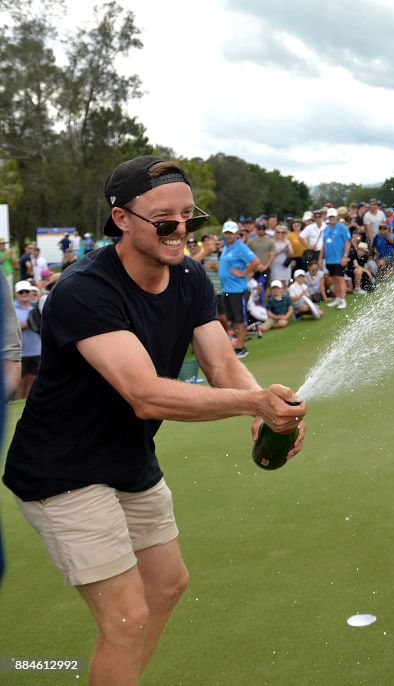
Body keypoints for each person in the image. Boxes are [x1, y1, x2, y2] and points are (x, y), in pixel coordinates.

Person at [1, 155, 307, 686]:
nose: (182, 231)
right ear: (121, 220)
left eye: (191, 217)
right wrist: (254, 404)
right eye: (165, 221)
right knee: (125, 618)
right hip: (62, 470)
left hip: (128, 459)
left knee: (166, 585)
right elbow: (144, 394)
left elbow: (221, 363)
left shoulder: (188, 275)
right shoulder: (84, 290)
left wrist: (264, 405)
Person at [218, 220, 259, 358]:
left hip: (239, 290)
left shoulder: (240, 248)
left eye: (231, 233)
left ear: (236, 234)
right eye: (226, 233)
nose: (228, 235)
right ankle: (237, 345)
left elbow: (255, 262)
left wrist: (243, 273)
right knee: (232, 319)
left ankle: (241, 348)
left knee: (239, 319)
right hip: (228, 289)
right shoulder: (225, 247)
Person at [12, 279, 41, 400]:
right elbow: (12, 328)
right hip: (19, 353)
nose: (24, 294)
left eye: (26, 291)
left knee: (32, 383)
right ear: (17, 294)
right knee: (19, 385)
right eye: (21, 292)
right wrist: (29, 322)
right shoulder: (12, 309)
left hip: (36, 351)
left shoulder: (36, 309)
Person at [320, 207, 351, 309]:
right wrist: (320, 258)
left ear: (337, 217)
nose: (331, 218)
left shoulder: (342, 228)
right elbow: (324, 245)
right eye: (330, 217)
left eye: (333, 216)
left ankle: (342, 300)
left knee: (340, 279)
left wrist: (345, 256)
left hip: (339, 258)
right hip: (329, 259)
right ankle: (338, 298)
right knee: (333, 279)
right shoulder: (326, 229)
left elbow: (347, 242)